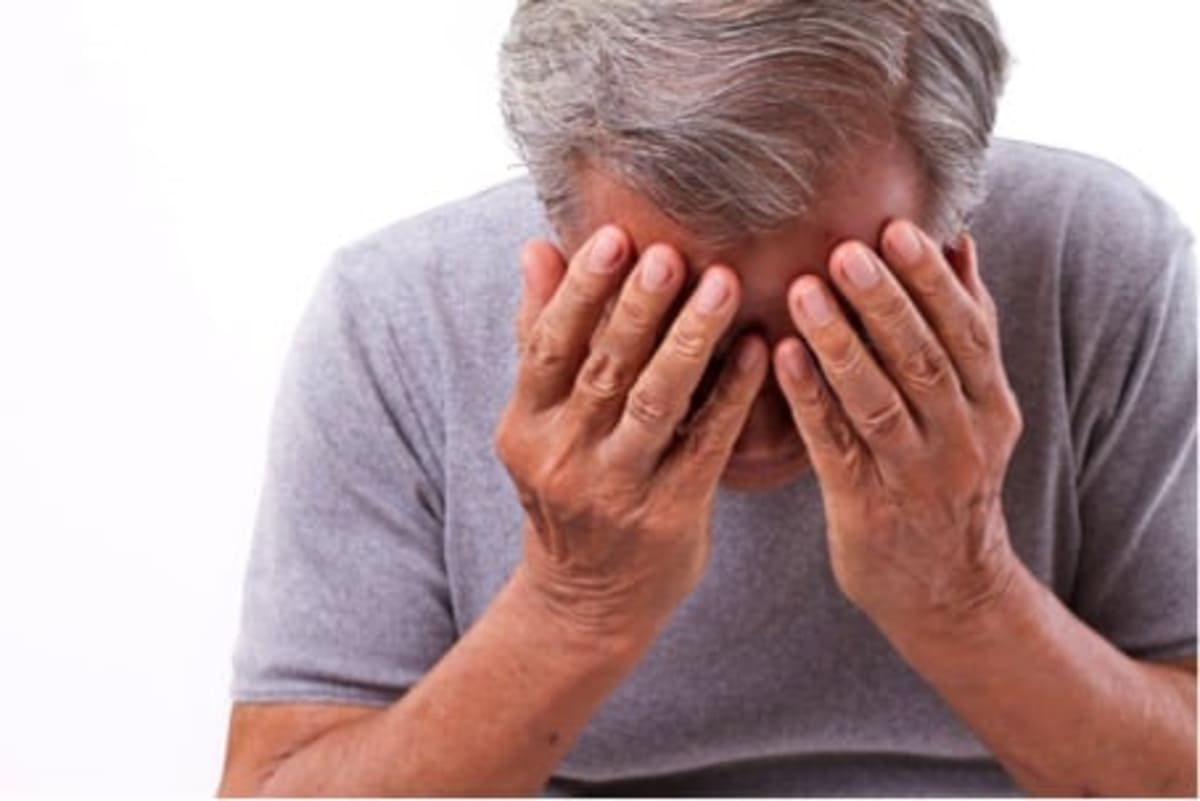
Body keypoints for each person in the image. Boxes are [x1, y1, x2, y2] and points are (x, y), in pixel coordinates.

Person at [217, 1, 1197, 796]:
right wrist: (573, 605)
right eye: (675, 323)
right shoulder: (399, 315)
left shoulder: (1099, 265)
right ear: (554, 227)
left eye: (838, 318)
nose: (758, 417)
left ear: (958, 230)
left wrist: (964, 591)